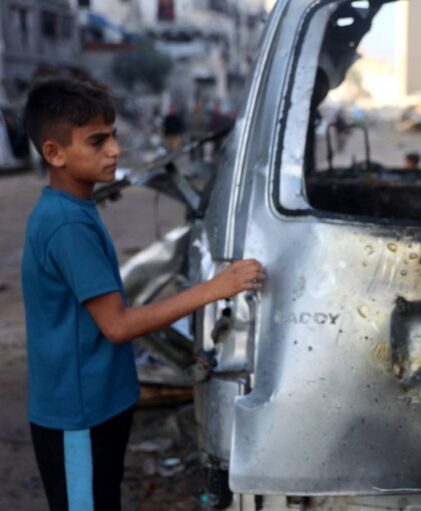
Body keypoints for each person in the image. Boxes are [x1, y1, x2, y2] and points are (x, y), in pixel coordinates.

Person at [21, 78, 267, 511]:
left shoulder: (75, 209)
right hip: (78, 415)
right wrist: (216, 288)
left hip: (98, 405)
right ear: (54, 153)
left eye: (113, 136)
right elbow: (117, 326)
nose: (115, 150)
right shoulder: (67, 224)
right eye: (97, 141)